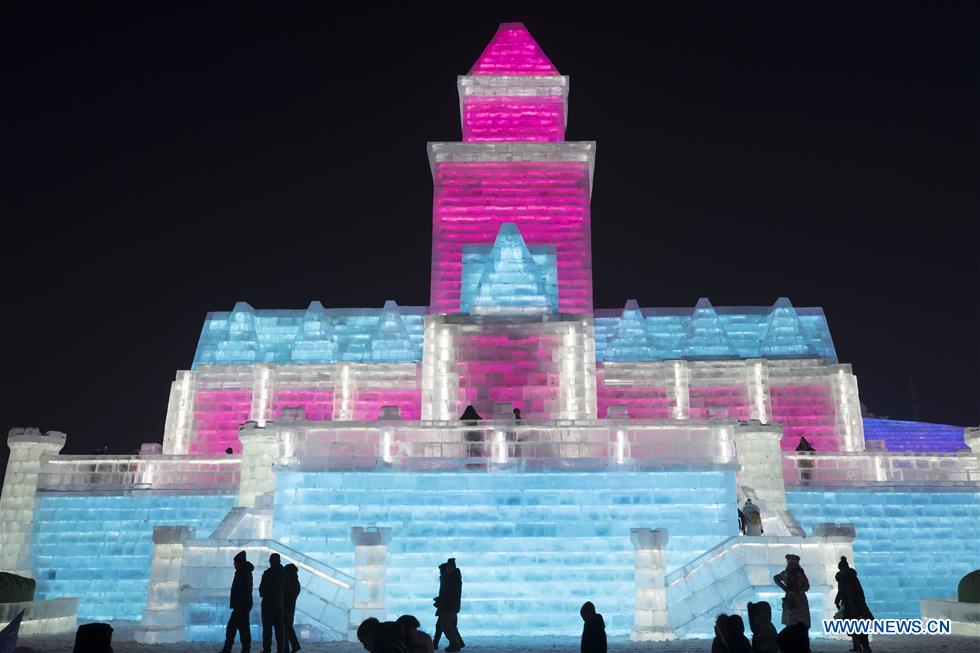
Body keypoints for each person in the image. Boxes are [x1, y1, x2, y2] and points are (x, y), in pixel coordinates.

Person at [774, 554, 810, 653]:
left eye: (795, 563)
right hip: (792, 600)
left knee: (799, 625)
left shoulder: (800, 574)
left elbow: (807, 587)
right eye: (792, 563)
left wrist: (797, 589)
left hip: (800, 601)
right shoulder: (786, 573)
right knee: (792, 624)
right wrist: (785, 588)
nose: (793, 565)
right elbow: (776, 578)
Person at [837, 558, 873, 653]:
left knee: (859, 628)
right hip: (851, 606)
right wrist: (838, 600)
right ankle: (857, 646)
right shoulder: (845, 578)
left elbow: (855, 594)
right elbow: (841, 591)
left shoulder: (850, 579)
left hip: (856, 607)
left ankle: (865, 647)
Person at [220, 551, 254, 653]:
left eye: (235, 563)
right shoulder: (243, 572)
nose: (234, 565)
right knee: (238, 628)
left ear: (240, 563)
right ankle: (242, 649)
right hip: (242, 605)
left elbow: (242, 591)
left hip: (241, 606)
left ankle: (239, 649)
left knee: (238, 628)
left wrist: (239, 605)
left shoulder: (243, 573)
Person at [259, 553, 287, 653]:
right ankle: (281, 650)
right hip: (279, 605)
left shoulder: (267, 573)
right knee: (279, 628)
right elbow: (288, 589)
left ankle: (267, 650)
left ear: (271, 561)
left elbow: (261, 589)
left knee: (267, 630)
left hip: (267, 605)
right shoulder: (284, 573)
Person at [434, 558, 464, 652]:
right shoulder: (450, 577)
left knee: (446, 625)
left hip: (448, 606)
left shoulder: (452, 578)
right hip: (448, 605)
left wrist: (440, 599)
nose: (449, 569)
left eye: (451, 567)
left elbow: (450, 594)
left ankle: (455, 644)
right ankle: (435, 643)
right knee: (442, 625)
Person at [283, 563, 301, 653]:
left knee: (286, 628)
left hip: (286, 609)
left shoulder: (290, 582)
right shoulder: (296, 582)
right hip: (290, 609)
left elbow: (286, 594)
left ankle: (290, 647)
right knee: (288, 627)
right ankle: (294, 646)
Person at [432, 563, 447, 649]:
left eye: (441, 570)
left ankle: (435, 643)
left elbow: (445, 593)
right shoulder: (445, 579)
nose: (440, 572)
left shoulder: (446, 579)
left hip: (445, 606)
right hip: (445, 605)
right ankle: (435, 643)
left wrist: (439, 599)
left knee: (441, 625)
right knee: (449, 626)